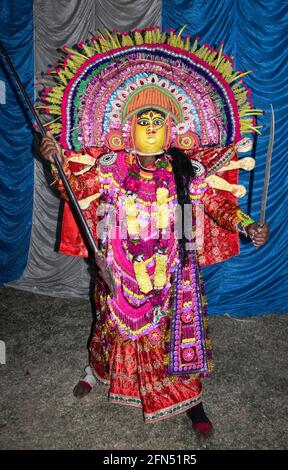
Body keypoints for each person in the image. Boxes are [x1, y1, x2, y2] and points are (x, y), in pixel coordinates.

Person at [39, 28, 269, 437]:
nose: (149, 126)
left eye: (158, 120)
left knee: (173, 333)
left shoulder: (185, 169)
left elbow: (216, 203)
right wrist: (55, 162)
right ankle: (97, 370)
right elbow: (73, 191)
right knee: (109, 325)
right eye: (142, 119)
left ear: (172, 129)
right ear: (127, 128)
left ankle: (190, 398)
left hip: (171, 266)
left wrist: (246, 224)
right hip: (116, 265)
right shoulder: (111, 164)